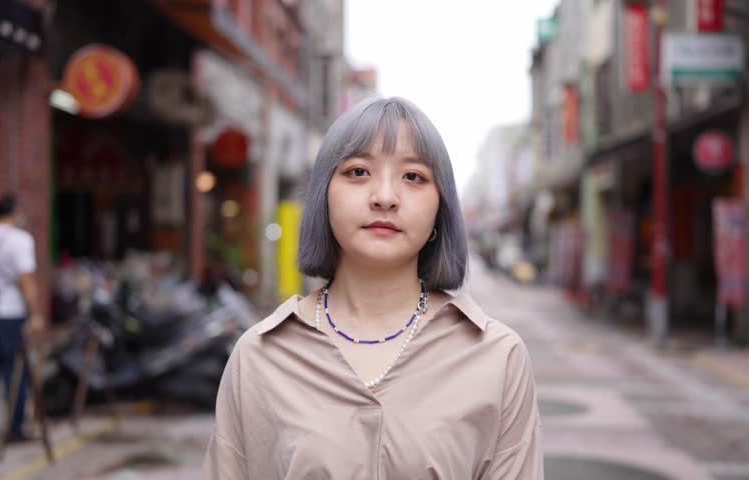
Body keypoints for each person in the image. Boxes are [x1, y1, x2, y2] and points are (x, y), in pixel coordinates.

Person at [204, 97, 543, 478]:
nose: (384, 196)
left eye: (413, 176)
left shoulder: (497, 358)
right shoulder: (260, 357)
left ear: (440, 207)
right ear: (323, 196)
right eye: (358, 172)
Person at [0, 193, 46, 442]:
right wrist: (35, 315)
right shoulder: (20, 240)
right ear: (15, 211)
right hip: (10, 313)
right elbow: (27, 281)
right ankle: (15, 428)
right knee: (15, 371)